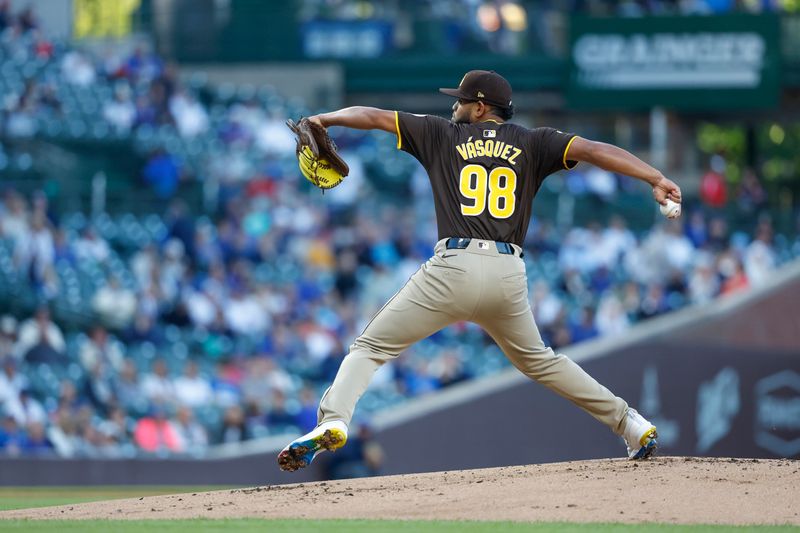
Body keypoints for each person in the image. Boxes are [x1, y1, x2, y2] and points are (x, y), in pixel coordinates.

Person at [278, 70, 682, 472]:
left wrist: (325, 119)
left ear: (480, 106)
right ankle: (631, 424)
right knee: (542, 362)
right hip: (508, 274)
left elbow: (371, 116)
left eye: (460, 100)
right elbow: (594, 149)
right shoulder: (534, 141)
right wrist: (655, 176)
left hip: (452, 266)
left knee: (370, 348)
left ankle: (333, 419)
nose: (454, 106)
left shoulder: (441, 134)